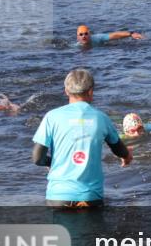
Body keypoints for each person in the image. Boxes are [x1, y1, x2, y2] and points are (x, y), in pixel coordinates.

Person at [31, 68, 132, 208]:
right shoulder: (101, 118)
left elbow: (37, 158)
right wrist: (126, 157)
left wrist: (51, 163)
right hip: (90, 198)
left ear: (66, 91)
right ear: (91, 91)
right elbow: (118, 149)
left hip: (58, 197)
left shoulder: (52, 117)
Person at [75, 24, 143, 48]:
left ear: (89, 34)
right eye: (81, 34)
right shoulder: (76, 46)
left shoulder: (98, 38)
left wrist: (131, 34)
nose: (84, 36)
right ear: (78, 37)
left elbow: (114, 35)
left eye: (86, 34)